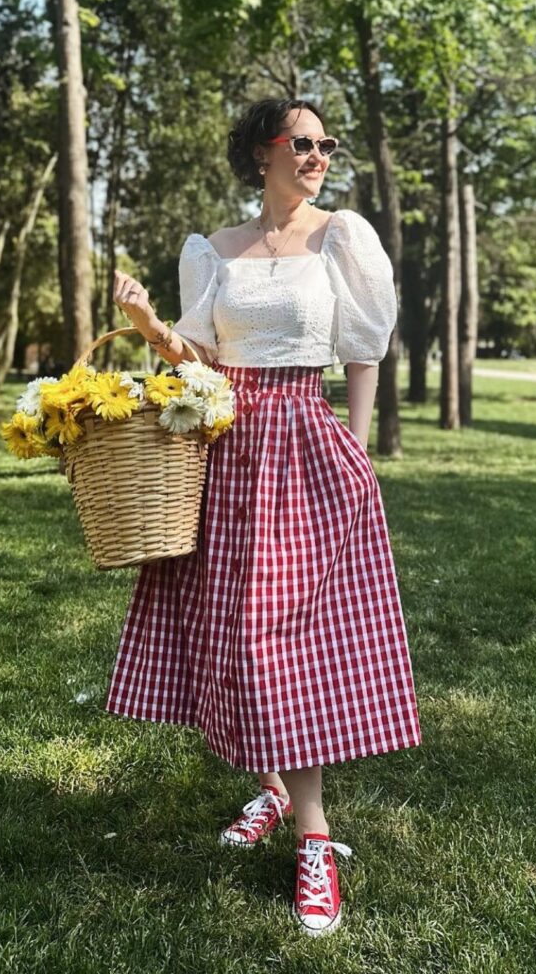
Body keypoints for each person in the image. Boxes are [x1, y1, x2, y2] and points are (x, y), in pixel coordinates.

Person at [108, 97, 422, 938]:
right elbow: (203, 357)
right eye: (301, 142)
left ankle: (313, 838)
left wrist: (356, 452)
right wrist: (147, 326)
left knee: (287, 637)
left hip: (307, 445)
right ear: (260, 152)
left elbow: (362, 348)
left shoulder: (340, 237)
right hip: (226, 451)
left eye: (325, 143)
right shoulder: (216, 250)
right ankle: (278, 793)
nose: (316, 154)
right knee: (237, 633)